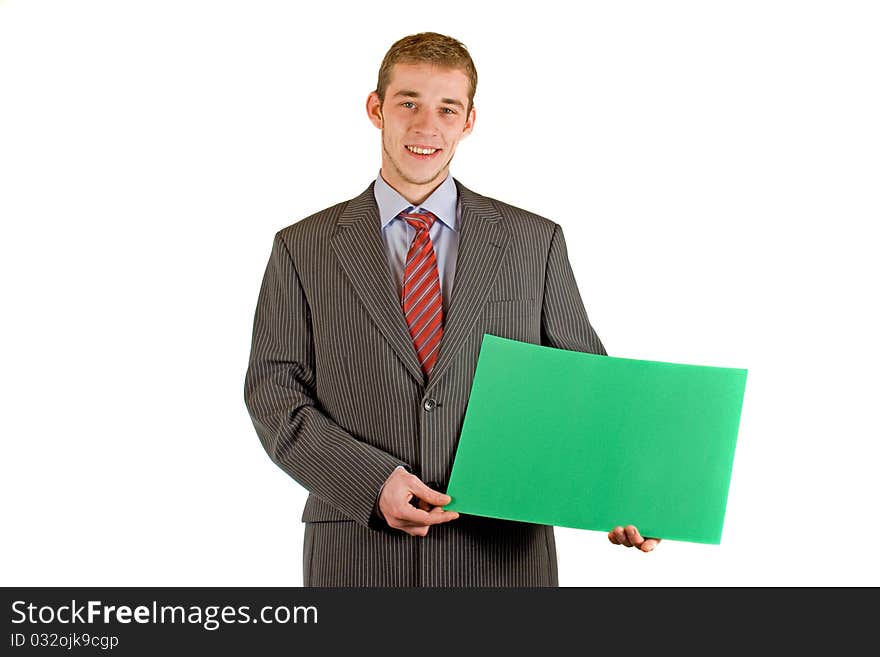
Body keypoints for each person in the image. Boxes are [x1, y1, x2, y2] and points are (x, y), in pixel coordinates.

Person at [243, 32, 660, 587]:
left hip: (502, 560)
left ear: (469, 121)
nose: (426, 126)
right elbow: (273, 392)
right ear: (377, 109)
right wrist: (371, 481)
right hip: (359, 557)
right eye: (408, 102)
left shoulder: (533, 242)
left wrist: (628, 492)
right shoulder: (303, 247)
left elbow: (589, 388)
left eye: (447, 108)